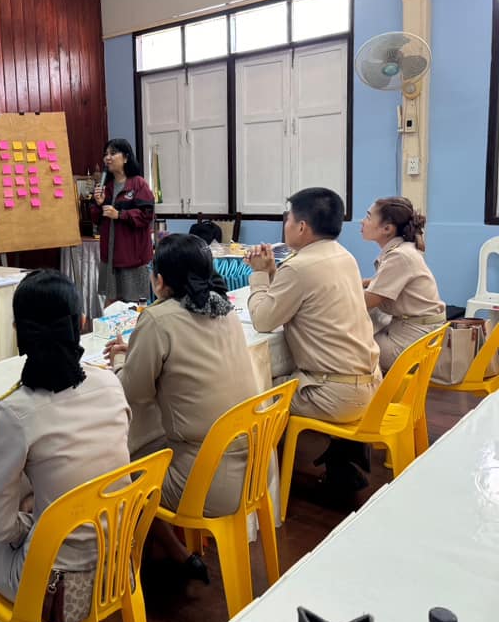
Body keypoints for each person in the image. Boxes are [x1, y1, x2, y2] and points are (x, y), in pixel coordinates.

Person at [0, 270, 131, 622]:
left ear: (18, 332)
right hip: (118, 561)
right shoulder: (109, 382)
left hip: (55, 585)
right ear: (80, 322)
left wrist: (30, 527)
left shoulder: (15, 412)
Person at [104, 234, 259, 581]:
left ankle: (125, 572)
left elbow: (135, 393)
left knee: (118, 465)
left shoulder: (158, 319)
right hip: (253, 467)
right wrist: (136, 350)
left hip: (205, 477)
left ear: (159, 280)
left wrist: (119, 361)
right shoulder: (224, 309)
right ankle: (177, 553)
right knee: (152, 447)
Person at [245, 187, 380, 492]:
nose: (286, 225)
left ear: (302, 226)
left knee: (255, 393)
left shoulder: (300, 266)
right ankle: (342, 460)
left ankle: (262, 487)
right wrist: (272, 270)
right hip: (369, 382)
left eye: (288, 219)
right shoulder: (343, 256)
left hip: (335, 394)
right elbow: (301, 294)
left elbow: (264, 319)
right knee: (283, 367)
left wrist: (257, 276)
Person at [360, 197, 445, 371]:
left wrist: (334, 292)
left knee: (345, 349)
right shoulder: (403, 250)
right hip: (415, 329)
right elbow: (385, 282)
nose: (363, 221)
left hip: (412, 337)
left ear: (387, 229)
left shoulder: (399, 256)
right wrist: (360, 282)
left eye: (368, 217)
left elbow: (367, 301)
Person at [89, 139, 155, 305]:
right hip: (110, 256)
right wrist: (99, 203)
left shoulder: (138, 184)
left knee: (133, 304)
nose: (107, 158)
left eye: (112, 153)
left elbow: (146, 215)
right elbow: (96, 219)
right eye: (106, 154)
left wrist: (120, 214)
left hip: (133, 257)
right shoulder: (106, 186)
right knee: (111, 302)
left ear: (125, 158)